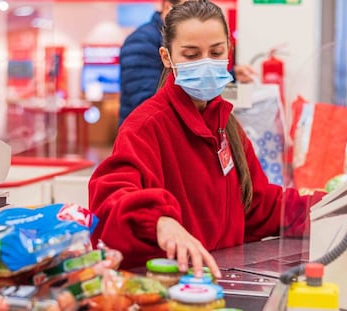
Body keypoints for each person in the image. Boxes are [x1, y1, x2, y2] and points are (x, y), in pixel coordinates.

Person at [89, 0, 323, 279]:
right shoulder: (145, 126)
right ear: (167, 57)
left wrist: (327, 208)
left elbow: (258, 205)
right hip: (172, 291)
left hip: (221, 284)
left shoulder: (228, 126)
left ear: (229, 52)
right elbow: (110, 200)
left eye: (215, 52)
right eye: (191, 54)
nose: (206, 63)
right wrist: (159, 221)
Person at [118, 0, 256, 126]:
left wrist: (230, 75)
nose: (195, 15)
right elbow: (144, 98)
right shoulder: (141, 42)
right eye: (191, 55)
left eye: (216, 53)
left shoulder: (223, 120)